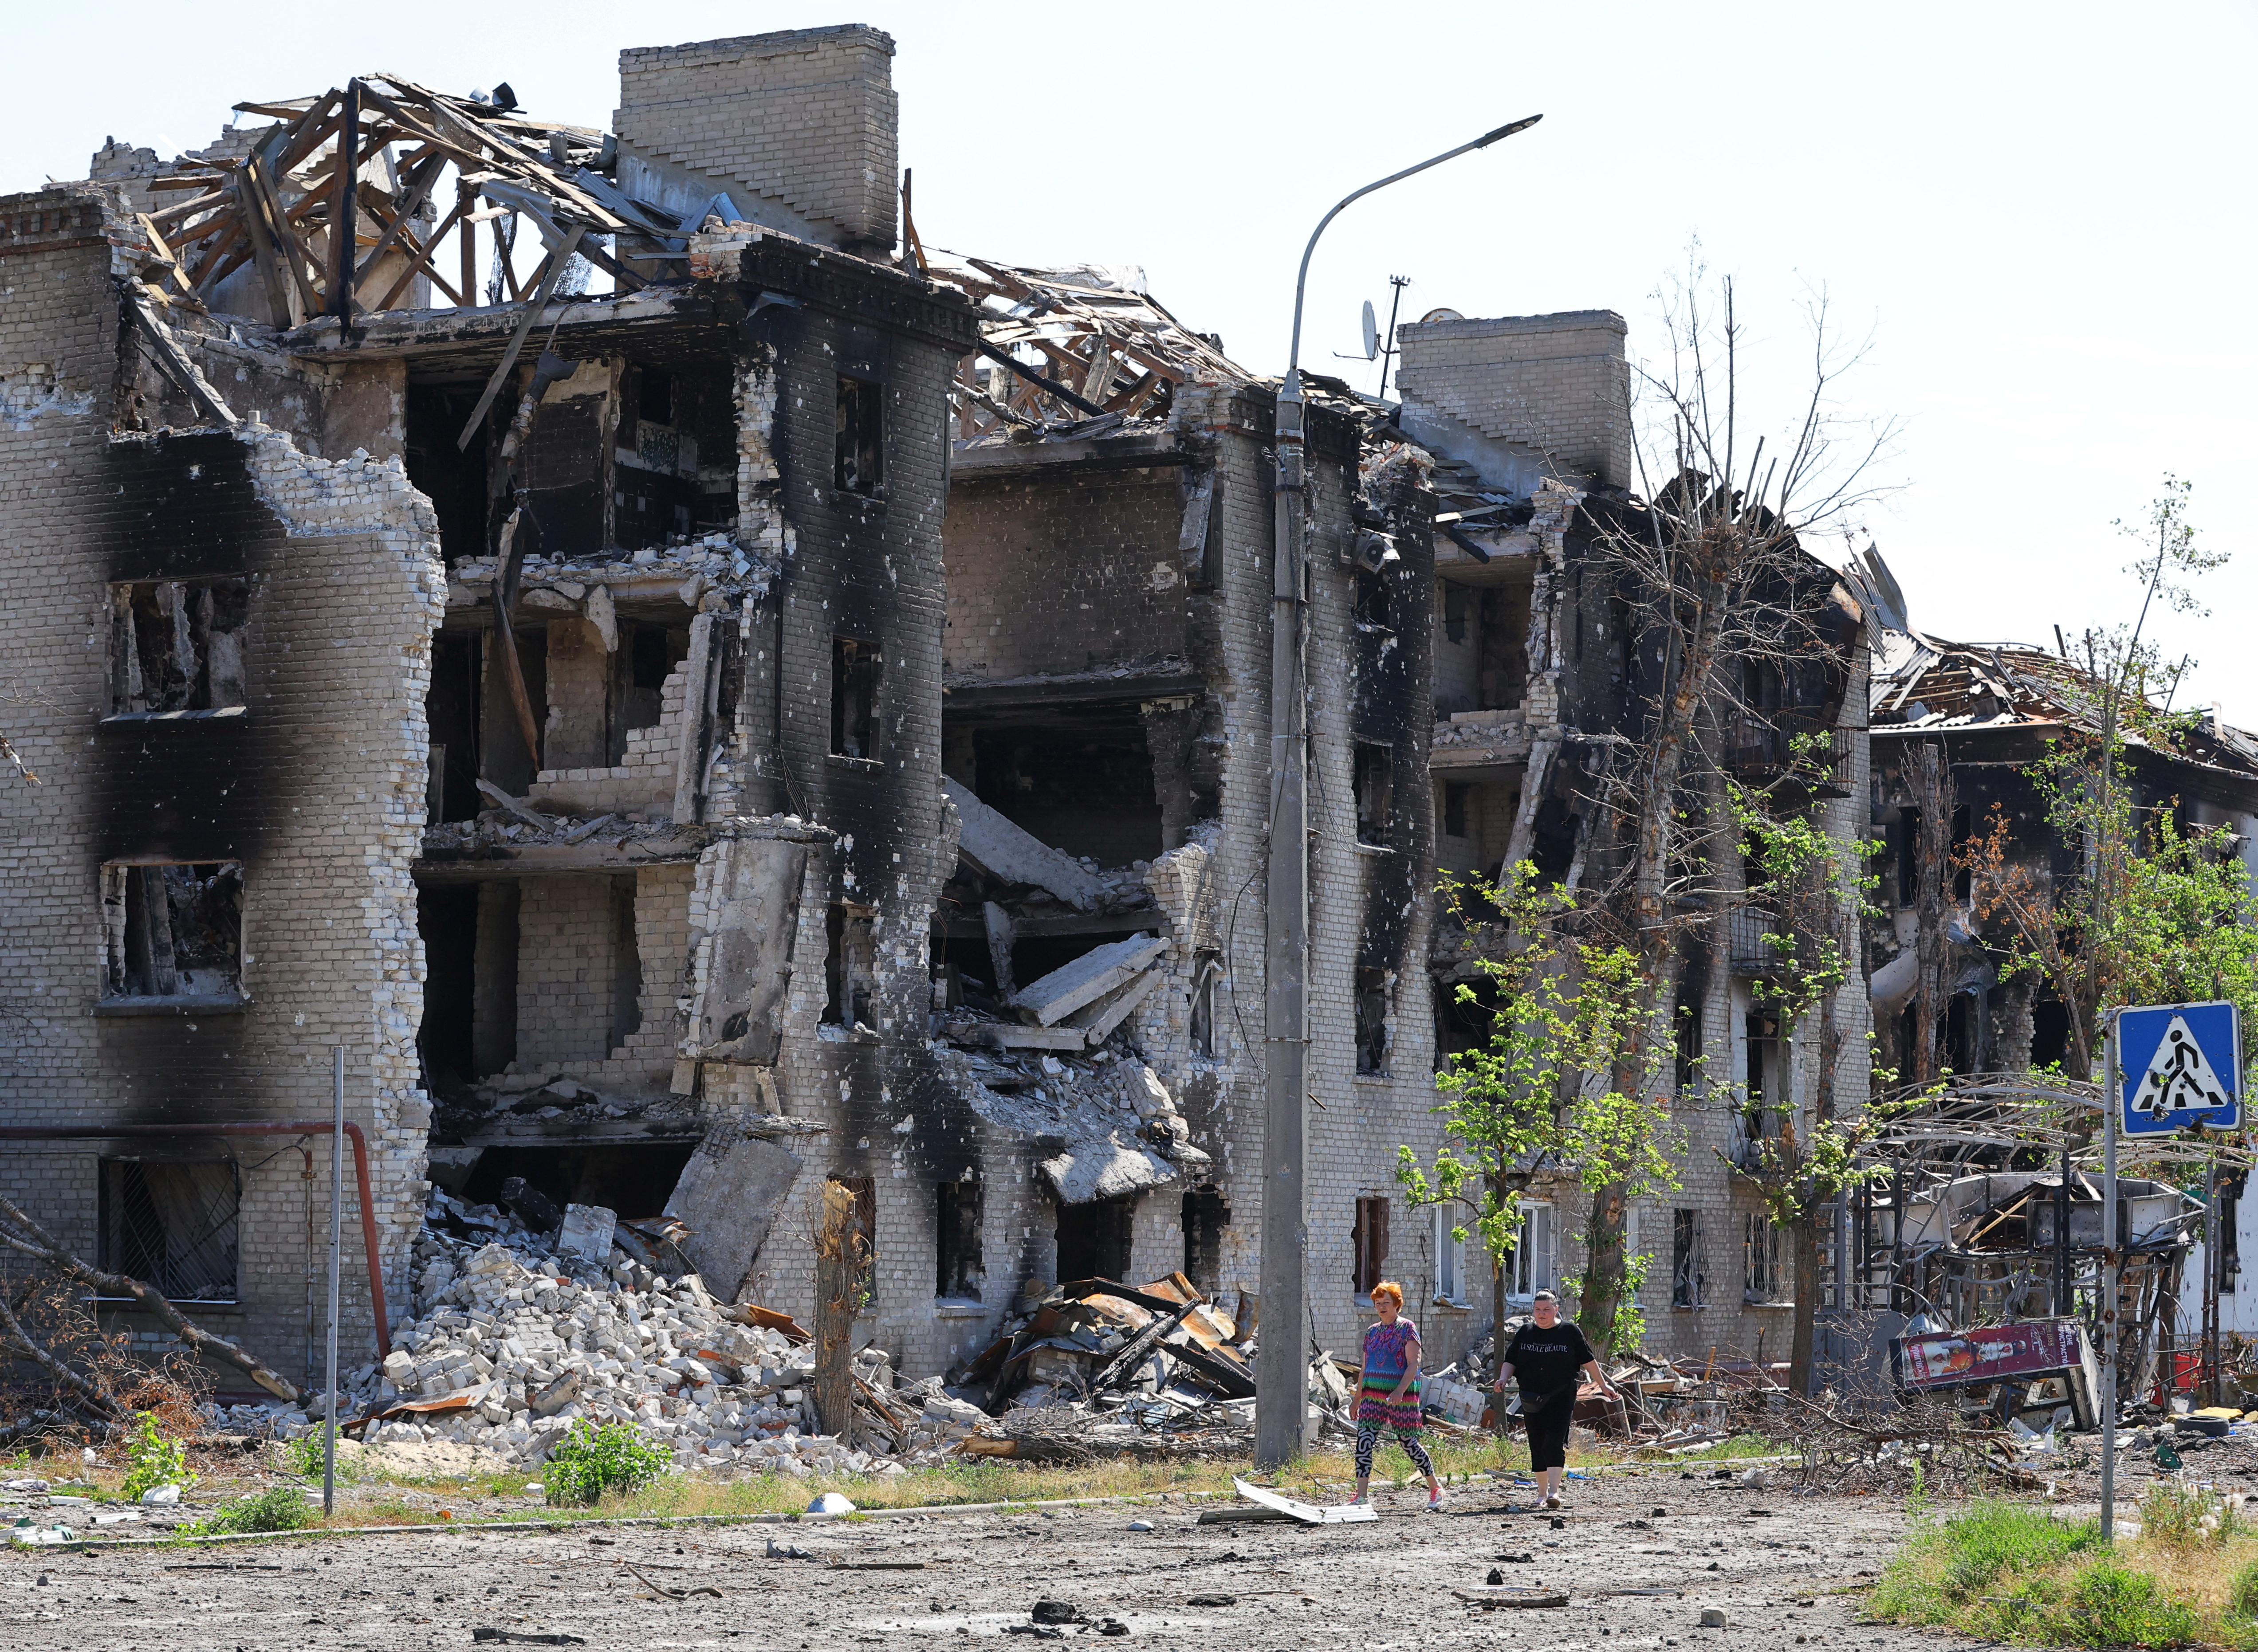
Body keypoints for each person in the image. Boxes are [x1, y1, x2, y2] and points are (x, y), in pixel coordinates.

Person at [1496, 1288, 1615, 1509]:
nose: (1542, 1314)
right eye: (1538, 1310)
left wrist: (1603, 1385)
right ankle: (1541, 1495)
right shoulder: (1525, 1333)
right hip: (1532, 1397)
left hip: (1561, 1396)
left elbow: (1589, 1361)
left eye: (1547, 1310)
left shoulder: (1569, 1332)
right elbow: (1510, 1360)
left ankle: (1554, 1492)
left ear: (1556, 1310)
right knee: (1537, 1444)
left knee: (1554, 1442)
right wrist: (1503, 1379)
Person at [1352, 1281, 1445, 1510]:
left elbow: (1414, 1364)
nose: (1382, 1307)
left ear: (1396, 1304)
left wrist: (1399, 1391)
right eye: (1378, 1303)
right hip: (1372, 1396)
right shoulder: (1372, 1332)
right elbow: (1365, 1366)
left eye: (1386, 1303)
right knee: (1364, 1441)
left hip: (1401, 1396)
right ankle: (1362, 1496)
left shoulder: (1407, 1329)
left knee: (1408, 1443)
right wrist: (1357, 1398)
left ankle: (1435, 1488)